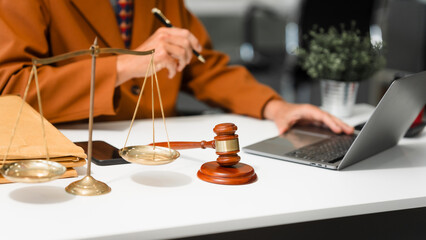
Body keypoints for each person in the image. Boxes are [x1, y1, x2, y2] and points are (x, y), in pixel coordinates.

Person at [0, 0, 353, 134]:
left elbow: (202, 67)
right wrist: (125, 66)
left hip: (156, 159)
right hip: (70, 163)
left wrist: (276, 107)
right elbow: (10, 89)